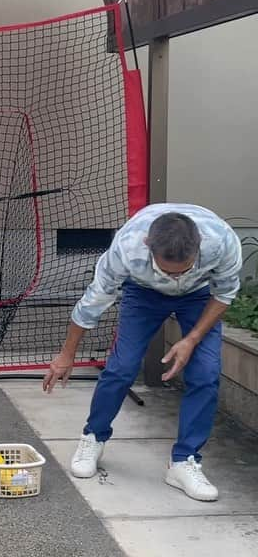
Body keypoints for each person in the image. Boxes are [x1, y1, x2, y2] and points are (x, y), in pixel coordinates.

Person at [43, 204, 242, 501]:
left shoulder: (222, 242)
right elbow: (93, 302)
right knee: (122, 367)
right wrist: (66, 354)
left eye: (183, 269)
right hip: (143, 293)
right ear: (149, 246)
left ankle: (183, 461)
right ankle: (93, 437)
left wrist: (191, 339)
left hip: (200, 296)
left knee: (205, 374)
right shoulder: (127, 247)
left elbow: (224, 293)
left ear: (199, 246)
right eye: (167, 270)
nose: (174, 279)